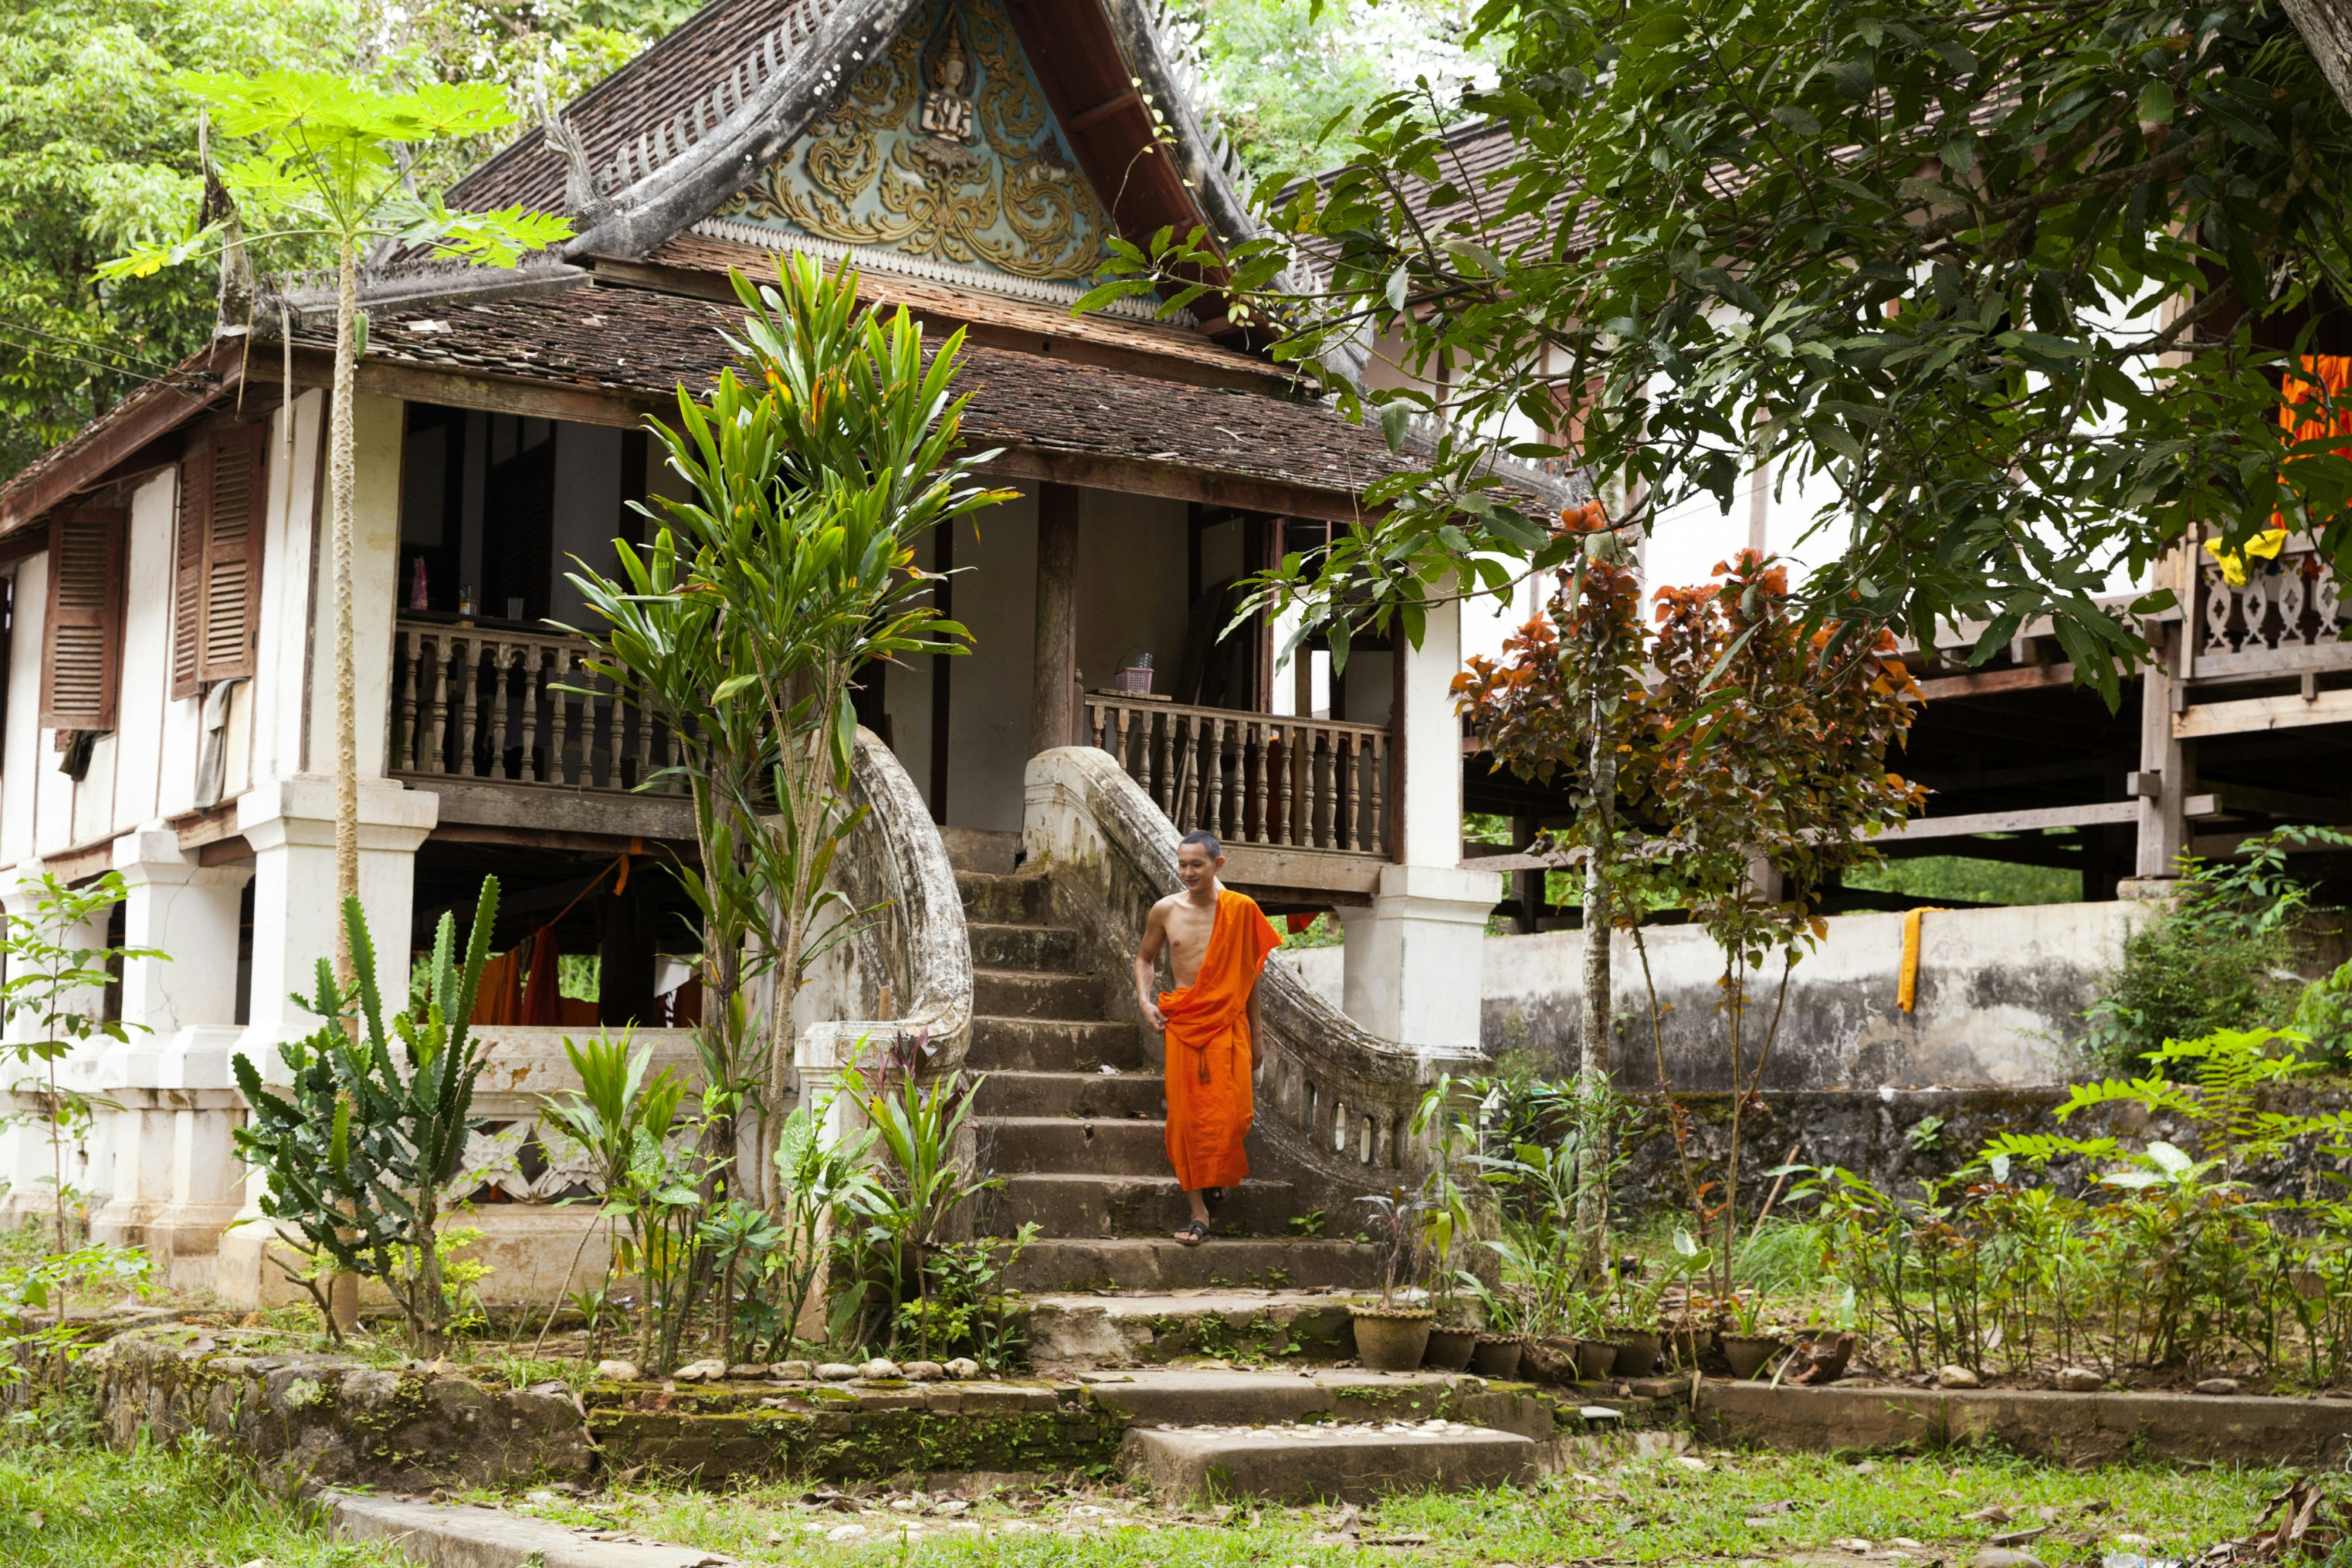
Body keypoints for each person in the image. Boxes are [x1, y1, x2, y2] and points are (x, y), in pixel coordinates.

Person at [1134, 828, 1282, 1246]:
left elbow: (1249, 977)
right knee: (1185, 1121)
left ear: (1218, 864)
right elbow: (1145, 958)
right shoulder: (1165, 910)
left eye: (1196, 864)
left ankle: (1219, 1173)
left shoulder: (1242, 910)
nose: (1187, 872)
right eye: (1182, 864)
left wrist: (1258, 1033)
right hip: (1183, 1023)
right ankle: (1199, 1213)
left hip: (1229, 1024)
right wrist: (1145, 1001)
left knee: (1236, 1114)